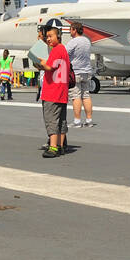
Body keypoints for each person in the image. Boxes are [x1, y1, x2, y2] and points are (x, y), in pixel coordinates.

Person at [35, 21, 72, 158]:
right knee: (61, 120)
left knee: (51, 120)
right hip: (61, 91)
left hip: (52, 91)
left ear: (59, 36)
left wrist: (40, 62)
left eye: (51, 36)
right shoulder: (63, 49)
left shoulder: (56, 50)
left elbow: (49, 67)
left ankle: (53, 147)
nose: (48, 39)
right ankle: (61, 146)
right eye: (47, 37)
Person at [66, 21, 95, 127]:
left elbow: (64, 53)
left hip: (76, 72)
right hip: (86, 71)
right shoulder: (87, 41)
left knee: (76, 96)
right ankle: (89, 120)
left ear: (74, 30)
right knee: (86, 95)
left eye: (70, 29)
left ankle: (77, 121)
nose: (70, 31)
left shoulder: (73, 42)